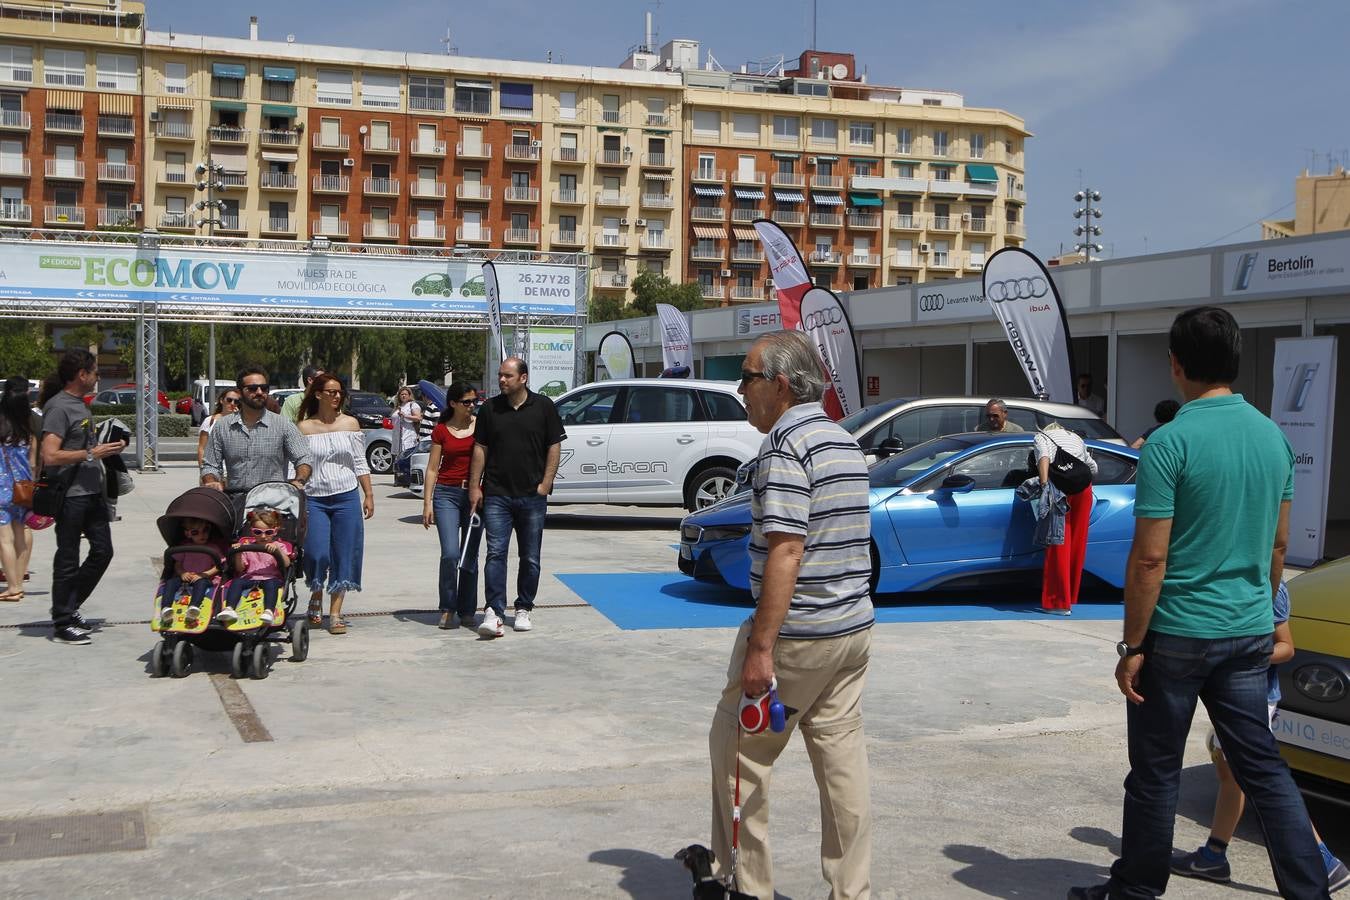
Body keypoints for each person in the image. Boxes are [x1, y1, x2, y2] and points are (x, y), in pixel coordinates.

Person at [1069, 306, 1328, 900]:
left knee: (1156, 771)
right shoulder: (1273, 439)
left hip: (1178, 636)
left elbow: (1150, 560)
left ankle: (1135, 889)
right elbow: (1280, 545)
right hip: (1247, 632)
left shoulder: (1171, 442)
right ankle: (1309, 890)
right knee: (1263, 767)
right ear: (1233, 362)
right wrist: (1259, 612)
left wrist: (1133, 645)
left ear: (1176, 364)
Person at [708, 330, 874, 899]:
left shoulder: (784, 446)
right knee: (841, 764)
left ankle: (744, 884)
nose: (741, 389)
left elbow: (787, 547)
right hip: (850, 632)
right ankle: (852, 891)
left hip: (797, 636)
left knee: (740, 753)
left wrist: (761, 647)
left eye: (748, 378)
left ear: (780, 385)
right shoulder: (843, 441)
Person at [1170, 580, 1349, 892]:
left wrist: (1241, 655)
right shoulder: (1236, 577)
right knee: (1233, 777)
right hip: (1235, 696)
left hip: (1254, 698)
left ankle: (1324, 861)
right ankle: (1214, 855)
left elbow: (1286, 646)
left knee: (1264, 783)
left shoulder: (1270, 584)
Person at [468, 357, 565, 638]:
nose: (501, 380)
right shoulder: (489, 409)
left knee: (530, 556)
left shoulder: (544, 407)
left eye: (507, 376)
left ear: (523, 378)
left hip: (532, 496)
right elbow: (480, 449)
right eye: (500, 375)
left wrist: (546, 483)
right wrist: (475, 486)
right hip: (497, 494)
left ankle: (523, 608)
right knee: (496, 554)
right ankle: (494, 611)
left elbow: (554, 446)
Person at [41, 350, 126, 645]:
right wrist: (92, 453)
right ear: (82, 374)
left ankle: (68, 603)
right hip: (70, 495)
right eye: (95, 372)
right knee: (67, 557)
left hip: (91, 493)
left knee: (103, 551)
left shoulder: (80, 406)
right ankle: (62, 621)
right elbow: (49, 456)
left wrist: (106, 449)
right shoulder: (59, 408)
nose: (97, 377)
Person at [296, 372, 372, 634]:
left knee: (344, 553)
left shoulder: (351, 424)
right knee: (317, 553)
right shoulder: (304, 428)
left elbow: (360, 462)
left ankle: (336, 612)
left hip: (346, 495)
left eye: (340, 392)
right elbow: (296, 465)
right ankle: (315, 595)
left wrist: (368, 495)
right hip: (314, 498)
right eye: (332, 392)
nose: (337, 396)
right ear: (318, 394)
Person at [422, 382, 481, 630]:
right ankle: (447, 606)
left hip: (475, 494)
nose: (471, 406)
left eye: (474, 401)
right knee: (450, 554)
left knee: (469, 555)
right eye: (466, 402)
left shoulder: (481, 426)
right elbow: (433, 468)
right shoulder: (442, 431)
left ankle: (467, 609)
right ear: (453, 404)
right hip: (446, 494)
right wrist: (427, 503)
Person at [200, 367, 313, 495]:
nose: (259, 392)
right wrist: (211, 481)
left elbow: (303, 458)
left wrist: (299, 480)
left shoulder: (283, 425)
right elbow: (210, 465)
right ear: (239, 392)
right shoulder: (222, 427)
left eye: (264, 388)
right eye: (253, 388)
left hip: (274, 505)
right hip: (236, 502)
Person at [1034, 422, 1097, 616]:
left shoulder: (1042, 437)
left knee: (1058, 543)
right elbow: (1092, 467)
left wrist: (1044, 485)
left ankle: (1058, 603)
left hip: (1060, 491)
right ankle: (1070, 596)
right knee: (1077, 543)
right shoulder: (1075, 438)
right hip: (1084, 490)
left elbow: (1044, 458)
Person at [218, 508, 292, 626]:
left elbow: (287, 564)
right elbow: (240, 569)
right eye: (258, 532)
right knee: (236, 582)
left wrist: (277, 551)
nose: (263, 536)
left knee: (271, 584)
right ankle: (229, 608)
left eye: (268, 532)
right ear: (252, 531)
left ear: (275, 531)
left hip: (270, 578)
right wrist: (238, 552)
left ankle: (268, 611)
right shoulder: (247, 547)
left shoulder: (278, 545)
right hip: (249, 578)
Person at [0, 376, 38, 602]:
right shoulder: (28, 430)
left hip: (1, 489)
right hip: (23, 489)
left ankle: (13, 587)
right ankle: (19, 583)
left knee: (4, 539)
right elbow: (33, 463)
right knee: (20, 534)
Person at [156, 516, 228, 628]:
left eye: (205, 530)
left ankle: (193, 608)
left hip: (205, 577)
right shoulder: (185, 547)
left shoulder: (213, 548)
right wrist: (182, 573)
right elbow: (178, 564)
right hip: (186, 576)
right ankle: (166, 608)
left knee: (202, 583)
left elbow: (218, 566)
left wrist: (205, 574)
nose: (202, 535)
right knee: (170, 583)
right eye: (196, 532)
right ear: (188, 534)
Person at [195, 388, 242, 468]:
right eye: (229, 400)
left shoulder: (240, 422)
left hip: (235, 471)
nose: (232, 403)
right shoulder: (209, 420)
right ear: (221, 400)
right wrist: (202, 470)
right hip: (213, 470)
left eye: (236, 401)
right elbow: (202, 448)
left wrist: (237, 419)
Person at [393, 385, 423, 459]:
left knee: (407, 456)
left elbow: (418, 418)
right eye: (401, 394)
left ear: (409, 395)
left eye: (405, 394)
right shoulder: (399, 406)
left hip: (409, 435)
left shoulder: (413, 405)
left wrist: (405, 416)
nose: (403, 396)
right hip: (397, 436)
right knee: (399, 457)